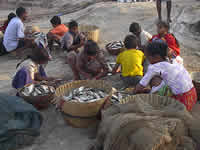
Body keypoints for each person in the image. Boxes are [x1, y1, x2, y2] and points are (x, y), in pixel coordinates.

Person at [135, 42, 197, 111]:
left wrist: (133, 93)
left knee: (154, 79)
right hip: (192, 97)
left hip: (181, 103)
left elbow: (140, 86)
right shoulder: (175, 60)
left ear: (156, 57)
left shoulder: (154, 67)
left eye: (148, 57)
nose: (148, 60)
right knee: (167, 79)